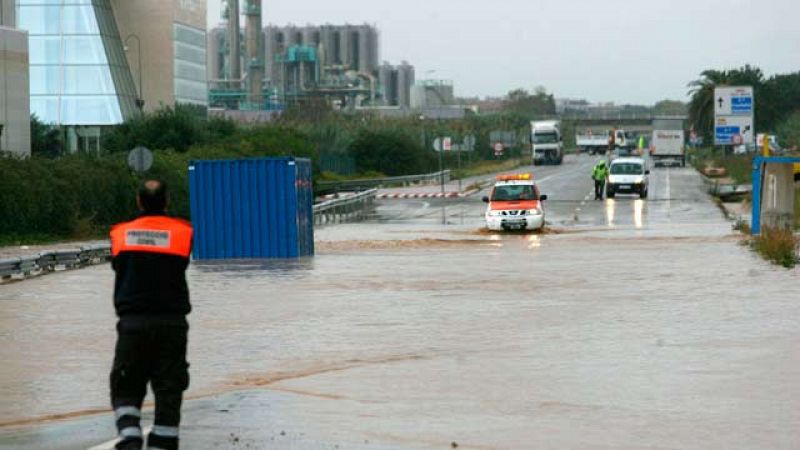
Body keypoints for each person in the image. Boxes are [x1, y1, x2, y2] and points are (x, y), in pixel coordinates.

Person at [109, 179, 193, 450]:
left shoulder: (120, 234)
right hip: (172, 325)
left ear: (138, 201)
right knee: (169, 388)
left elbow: (118, 267)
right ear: (167, 202)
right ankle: (163, 443)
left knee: (125, 383)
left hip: (132, 323)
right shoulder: (183, 233)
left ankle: (129, 434)